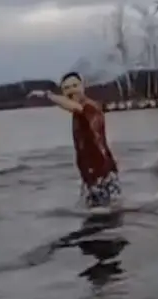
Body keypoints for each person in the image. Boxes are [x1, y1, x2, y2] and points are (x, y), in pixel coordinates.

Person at [28, 73, 120, 209]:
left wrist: (48, 95)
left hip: (101, 174)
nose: (71, 90)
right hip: (94, 176)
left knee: (101, 218)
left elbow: (75, 107)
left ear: (83, 86)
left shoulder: (89, 107)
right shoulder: (78, 112)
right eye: (66, 88)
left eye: (75, 86)